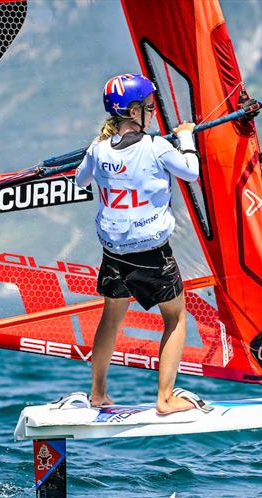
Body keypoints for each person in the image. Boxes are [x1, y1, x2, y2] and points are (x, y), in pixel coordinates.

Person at [74, 73, 199, 415]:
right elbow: (191, 171)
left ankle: (97, 393)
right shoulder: (158, 146)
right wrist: (186, 138)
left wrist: (100, 159)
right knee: (175, 318)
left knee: (111, 318)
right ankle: (165, 398)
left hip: (114, 252)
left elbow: (80, 180)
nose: (153, 113)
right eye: (148, 108)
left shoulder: (97, 150)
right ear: (132, 111)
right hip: (151, 253)